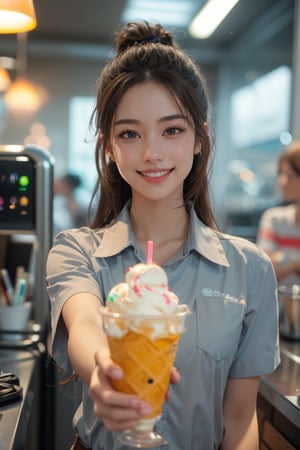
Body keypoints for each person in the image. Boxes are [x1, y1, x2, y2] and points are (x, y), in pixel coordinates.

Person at [46, 21, 280, 450]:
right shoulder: (76, 251)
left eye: (172, 129)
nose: (152, 152)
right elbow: (84, 323)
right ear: (109, 148)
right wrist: (104, 370)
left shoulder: (249, 269)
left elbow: (240, 417)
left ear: (199, 139)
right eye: (130, 134)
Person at [257, 140, 300, 288]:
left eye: (289, 175)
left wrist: (284, 262)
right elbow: (264, 272)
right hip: (279, 308)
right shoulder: (274, 219)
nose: (281, 181)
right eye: (280, 173)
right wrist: (295, 266)